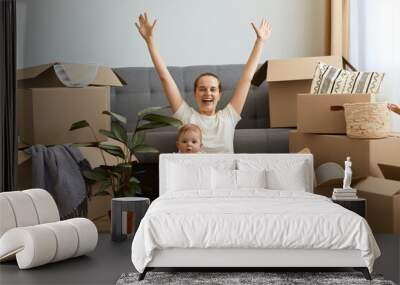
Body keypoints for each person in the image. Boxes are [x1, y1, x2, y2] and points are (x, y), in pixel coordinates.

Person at [135, 12, 272, 153]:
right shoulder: (186, 117)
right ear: (195, 94)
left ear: (219, 95)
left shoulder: (229, 117)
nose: (208, 93)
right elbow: (165, 78)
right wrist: (150, 41)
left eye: (213, 89)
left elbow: (246, 79)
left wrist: (260, 42)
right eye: (202, 89)